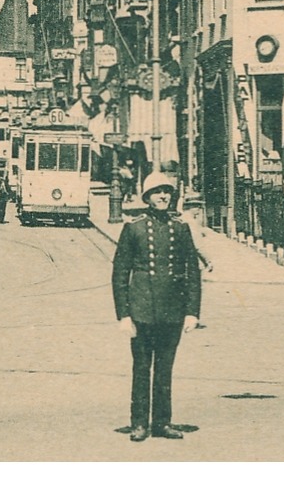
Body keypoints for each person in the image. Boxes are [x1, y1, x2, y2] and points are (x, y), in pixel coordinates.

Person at [111, 172, 202, 442]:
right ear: (147, 197)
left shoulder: (181, 227)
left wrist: (192, 312)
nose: (163, 196)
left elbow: (192, 272)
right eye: (157, 192)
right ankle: (139, 423)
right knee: (141, 368)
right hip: (142, 311)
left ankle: (162, 422)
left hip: (172, 311)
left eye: (167, 191)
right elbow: (120, 274)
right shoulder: (134, 228)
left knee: (165, 369)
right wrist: (124, 315)